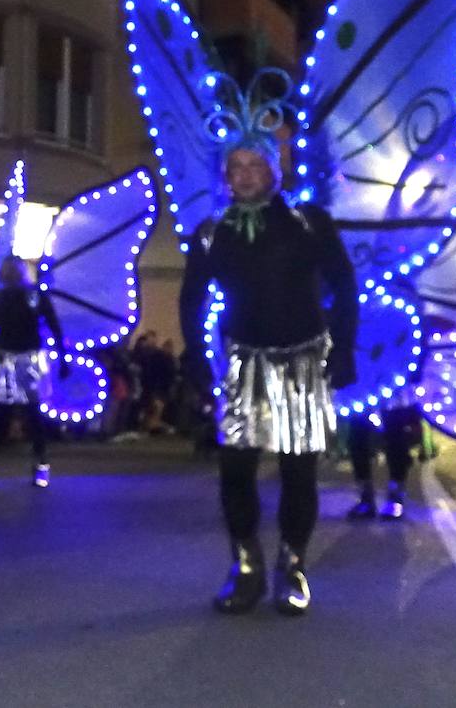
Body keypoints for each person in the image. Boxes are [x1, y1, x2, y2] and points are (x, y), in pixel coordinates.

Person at [180, 143, 357, 617]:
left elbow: (345, 284)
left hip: (303, 359)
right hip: (243, 363)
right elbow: (191, 297)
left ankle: (292, 565)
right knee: (234, 470)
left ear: (275, 172)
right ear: (225, 177)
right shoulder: (211, 233)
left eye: (255, 164)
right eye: (235, 167)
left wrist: (342, 348)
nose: (245, 174)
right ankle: (245, 566)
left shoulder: (309, 222)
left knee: (299, 472)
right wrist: (195, 355)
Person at [0, 255, 68, 488]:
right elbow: (54, 327)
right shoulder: (32, 296)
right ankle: (40, 467)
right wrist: (63, 359)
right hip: (27, 359)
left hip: (9, 359)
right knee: (31, 416)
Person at [344, 406, 419, 520]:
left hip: (391, 397)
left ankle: (395, 497)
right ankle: (366, 498)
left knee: (395, 436)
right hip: (358, 392)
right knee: (356, 438)